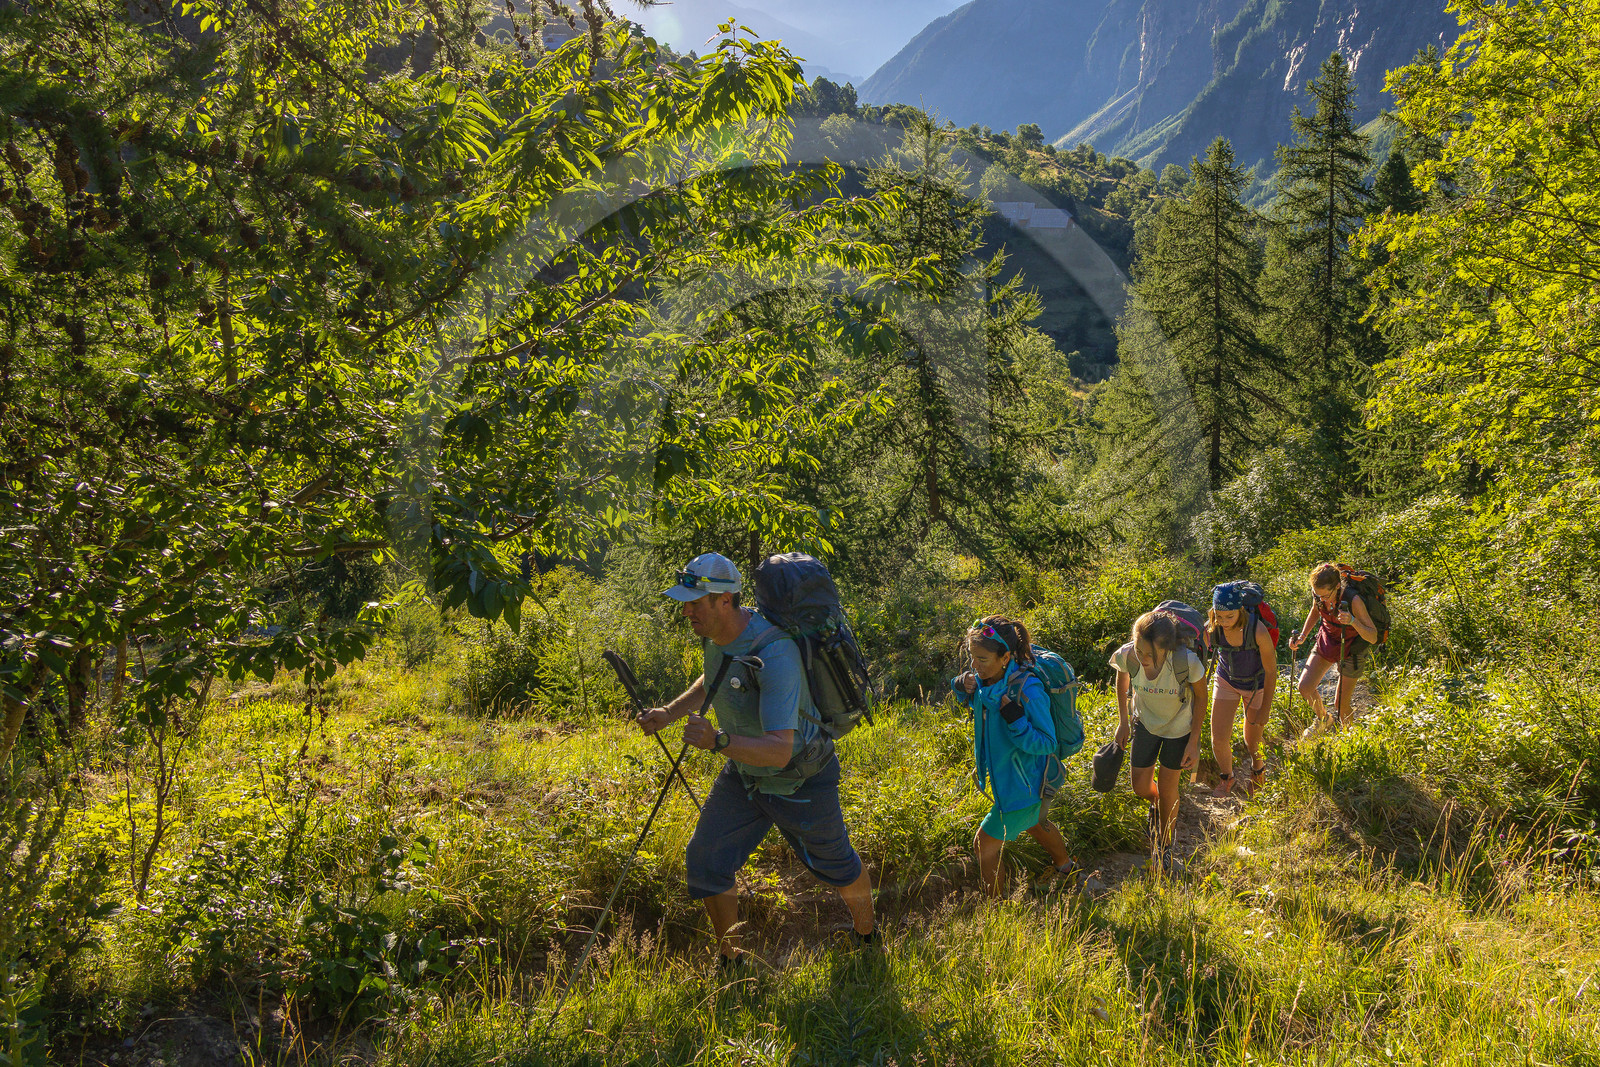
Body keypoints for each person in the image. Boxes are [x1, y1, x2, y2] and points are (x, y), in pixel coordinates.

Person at [636, 552, 874, 969]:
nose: (686, 611)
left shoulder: (775, 653)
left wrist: (717, 740)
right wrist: (668, 714)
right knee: (706, 860)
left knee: (836, 865)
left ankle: (868, 939)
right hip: (746, 775)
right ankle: (731, 958)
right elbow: (711, 678)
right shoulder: (716, 635)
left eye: (695, 602)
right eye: (685, 602)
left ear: (725, 600)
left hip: (800, 779)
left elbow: (779, 749)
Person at [951, 615, 1078, 896]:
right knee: (1034, 823)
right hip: (1009, 782)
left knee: (984, 843)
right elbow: (977, 697)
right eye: (972, 658)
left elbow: (1047, 742)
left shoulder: (1027, 689)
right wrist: (960, 685)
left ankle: (996, 910)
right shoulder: (988, 678)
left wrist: (1017, 722)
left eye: (982, 659)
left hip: (1025, 785)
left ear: (1005, 656)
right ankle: (1067, 868)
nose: (975, 665)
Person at [1111, 611, 1208, 873]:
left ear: (1166, 649)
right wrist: (1123, 720)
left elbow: (1201, 698)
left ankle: (1163, 847)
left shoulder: (1186, 661)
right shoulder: (1128, 655)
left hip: (1179, 729)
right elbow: (1122, 680)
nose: (1142, 658)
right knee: (1141, 787)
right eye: (1139, 649)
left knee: (1168, 787)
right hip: (1145, 724)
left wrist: (1194, 741)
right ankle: (1162, 806)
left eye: (1149, 654)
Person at [1288, 562, 1379, 735]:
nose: (1321, 599)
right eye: (1317, 594)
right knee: (1305, 687)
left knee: (1340, 704)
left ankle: (1351, 739)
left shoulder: (1354, 600)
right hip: (1328, 639)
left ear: (1337, 586)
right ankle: (1324, 720)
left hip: (1352, 647)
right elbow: (1316, 610)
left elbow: (1373, 636)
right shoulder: (1320, 595)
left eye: (1325, 595)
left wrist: (1352, 621)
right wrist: (1303, 636)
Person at [1207, 583, 1277, 798]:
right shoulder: (1211, 627)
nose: (1224, 622)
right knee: (1218, 738)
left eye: (1230, 616)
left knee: (1252, 741)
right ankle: (1227, 778)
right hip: (1227, 680)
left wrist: (1265, 709)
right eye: (1219, 616)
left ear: (1241, 611)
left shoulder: (1257, 629)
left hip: (1256, 685)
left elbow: (1271, 671)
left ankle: (1258, 772)